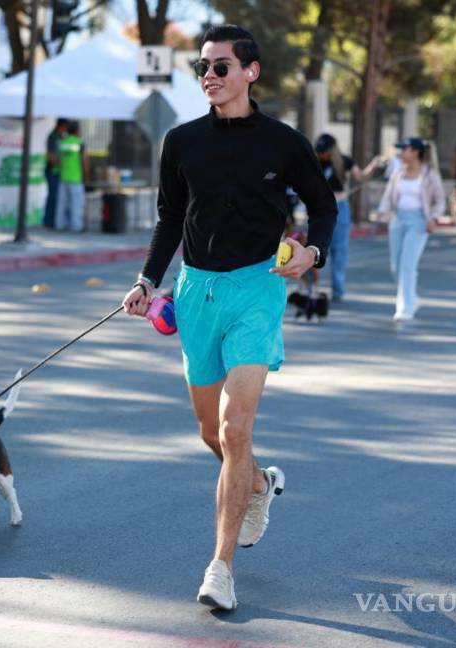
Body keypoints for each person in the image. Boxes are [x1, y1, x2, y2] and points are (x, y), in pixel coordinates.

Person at [122, 24, 336, 611]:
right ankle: (259, 482)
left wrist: (312, 253)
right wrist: (147, 280)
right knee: (210, 433)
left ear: (250, 72)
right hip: (196, 292)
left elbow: (323, 205)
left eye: (220, 66)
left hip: (257, 290)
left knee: (236, 429)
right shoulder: (182, 142)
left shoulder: (282, 142)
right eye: (203, 68)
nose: (209, 76)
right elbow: (169, 219)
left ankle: (220, 567)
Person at [376, 137, 445, 321]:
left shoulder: (429, 174)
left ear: (415, 152)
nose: (400, 153)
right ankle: (412, 297)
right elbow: (388, 197)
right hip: (398, 219)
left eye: (404, 149)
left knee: (408, 264)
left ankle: (405, 308)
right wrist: (382, 212)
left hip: (419, 221)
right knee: (395, 266)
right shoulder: (398, 173)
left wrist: (434, 218)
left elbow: (440, 201)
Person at [313, 133, 381, 302]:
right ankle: (313, 289)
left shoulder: (343, 161)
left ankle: (338, 290)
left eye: (325, 151)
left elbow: (361, 177)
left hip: (340, 206)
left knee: (339, 250)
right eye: (319, 151)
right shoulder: (313, 160)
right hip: (318, 207)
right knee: (315, 249)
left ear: (332, 149)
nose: (321, 154)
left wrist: (373, 165)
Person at [55, 121, 88, 232]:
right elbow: (84, 160)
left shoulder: (63, 142)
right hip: (76, 178)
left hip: (64, 177)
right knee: (76, 204)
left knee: (62, 204)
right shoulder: (79, 143)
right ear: (77, 130)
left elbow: (59, 160)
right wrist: (86, 175)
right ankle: (76, 226)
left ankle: (59, 225)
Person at [43, 118, 68, 229]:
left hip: (61, 172)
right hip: (52, 171)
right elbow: (50, 157)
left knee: (60, 197)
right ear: (60, 126)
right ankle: (48, 221)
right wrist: (61, 163)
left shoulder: (64, 137)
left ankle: (57, 221)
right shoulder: (52, 137)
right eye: (64, 127)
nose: (65, 129)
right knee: (53, 196)